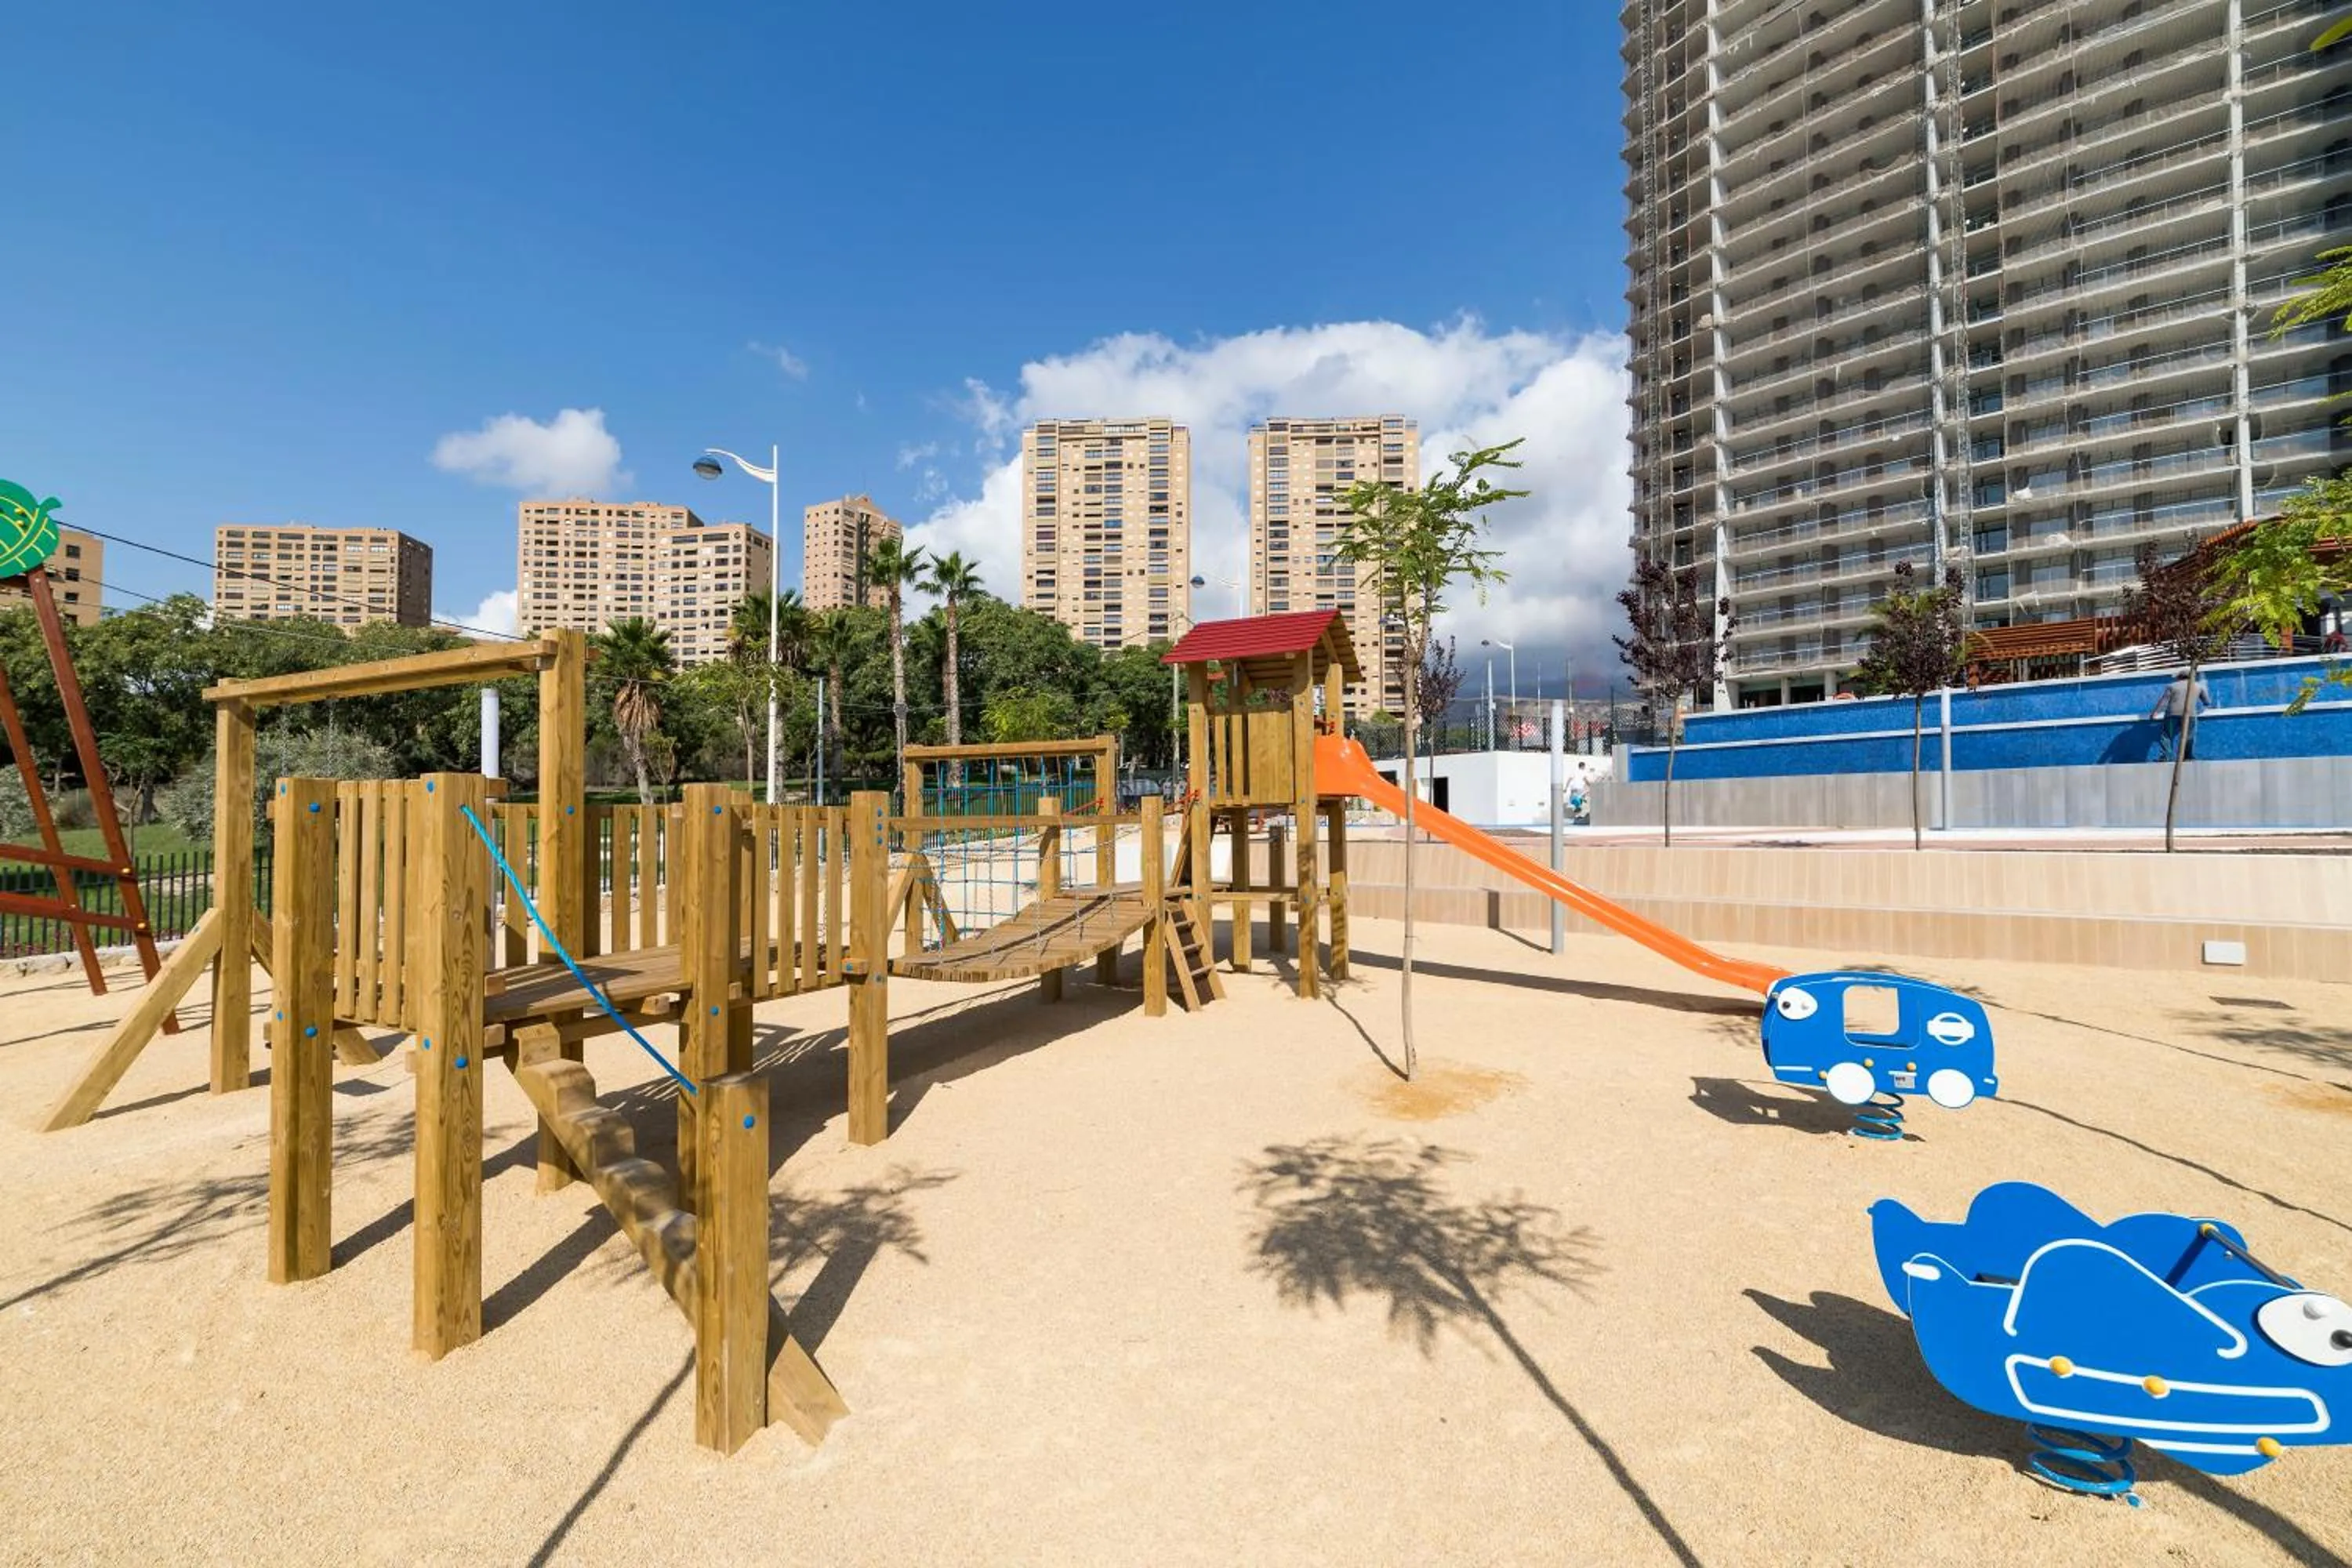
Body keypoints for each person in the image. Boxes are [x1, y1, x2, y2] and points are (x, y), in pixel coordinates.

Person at [2149, 669, 2212, 760]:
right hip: (2189, 715)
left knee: (2167, 735)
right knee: (2188, 736)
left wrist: (2155, 713)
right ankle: (2187, 756)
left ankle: (2166, 757)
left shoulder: (2172, 686)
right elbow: (2207, 702)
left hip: (2172, 715)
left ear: (2180, 677)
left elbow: (2164, 701)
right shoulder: (2198, 686)